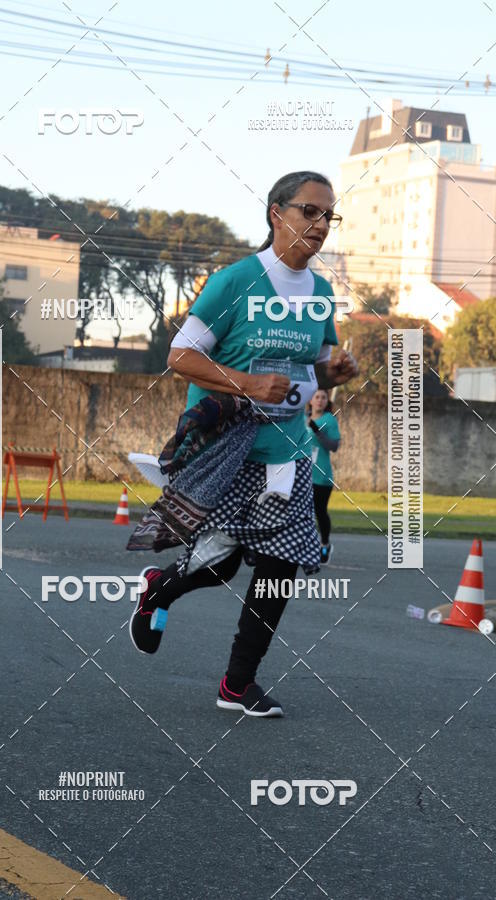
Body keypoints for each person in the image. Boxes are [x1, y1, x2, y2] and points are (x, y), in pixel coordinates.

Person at [128, 171, 358, 718]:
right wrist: (249, 384)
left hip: (289, 449)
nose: (321, 224)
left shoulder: (322, 293)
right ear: (276, 213)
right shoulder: (237, 281)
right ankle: (159, 587)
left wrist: (336, 371)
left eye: (330, 215)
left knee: (280, 564)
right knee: (222, 564)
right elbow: (181, 356)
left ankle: (238, 684)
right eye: (310, 211)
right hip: (226, 447)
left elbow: (316, 371)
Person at [306, 389, 341, 564]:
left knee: (319, 511)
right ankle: (304, 546)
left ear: (327, 401)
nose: (320, 400)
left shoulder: (329, 420)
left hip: (321, 475)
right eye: (317, 397)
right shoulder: (301, 419)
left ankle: (325, 544)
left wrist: (316, 430)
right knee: (300, 513)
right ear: (310, 400)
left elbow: (333, 446)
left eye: (323, 397)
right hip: (302, 475)